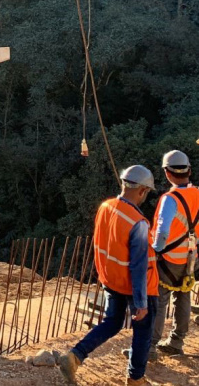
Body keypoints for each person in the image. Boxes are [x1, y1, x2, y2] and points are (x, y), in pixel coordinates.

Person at [58, 165, 159, 386]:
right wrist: (141, 302)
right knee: (143, 332)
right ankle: (135, 379)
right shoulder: (138, 223)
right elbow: (140, 266)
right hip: (135, 286)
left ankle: (74, 356)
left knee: (112, 322)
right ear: (142, 190)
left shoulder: (106, 207)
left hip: (111, 280)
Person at [149, 150, 198, 357]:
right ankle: (176, 341)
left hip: (170, 260)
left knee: (160, 301)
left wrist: (155, 249)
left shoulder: (170, 199)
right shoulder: (197, 193)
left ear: (167, 173)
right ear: (189, 170)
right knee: (184, 295)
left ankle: (150, 346)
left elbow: (162, 233)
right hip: (192, 257)